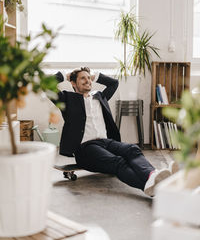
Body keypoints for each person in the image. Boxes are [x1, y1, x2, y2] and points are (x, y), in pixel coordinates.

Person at [54, 67, 177, 197]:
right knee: (117, 162)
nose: (88, 81)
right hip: (85, 148)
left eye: (89, 78)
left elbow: (114, 83)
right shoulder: (67, 100)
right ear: (73, 83)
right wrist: (64, 75)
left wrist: (94, 76)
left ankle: (152, 175)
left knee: (132, 149)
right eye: (83, 78)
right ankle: (149, 186)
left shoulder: (100, 96)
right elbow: (47, 88)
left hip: (106, 142)